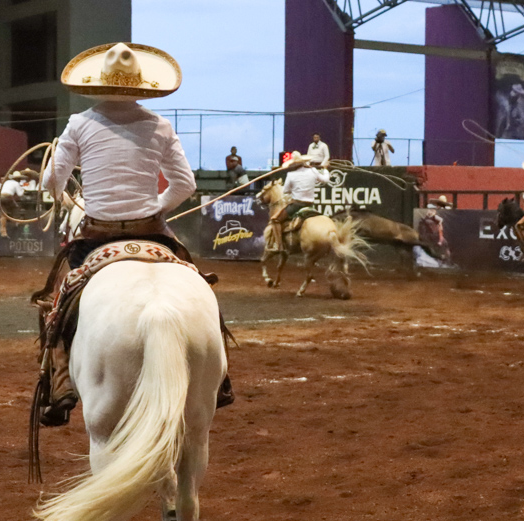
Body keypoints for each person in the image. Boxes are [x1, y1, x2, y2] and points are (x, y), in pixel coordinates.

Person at [38, 41, 231, 427]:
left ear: (97, 84)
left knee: (57, 305)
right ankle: (221, 379)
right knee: (198, 286)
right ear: (141, 86)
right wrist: (155, 207)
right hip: (152, 231)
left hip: (95, 232)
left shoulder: (79, 123)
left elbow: (52, 182)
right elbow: (185, 186)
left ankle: (59, 384)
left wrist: (67, 195)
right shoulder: (160, 125)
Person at [266, 151, 331, 253]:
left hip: (296, 205)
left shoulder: (291, 175)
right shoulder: (313, 171)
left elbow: (286, 191)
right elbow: (325, 180)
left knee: (275, 219)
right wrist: (325, 169)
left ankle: (279, 246)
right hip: (310, 204)